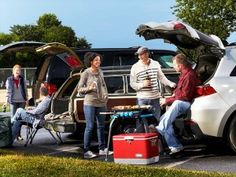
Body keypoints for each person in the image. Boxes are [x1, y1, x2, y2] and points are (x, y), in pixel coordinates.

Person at [149, 53, 200, 155]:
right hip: (181, 101)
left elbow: (185, 96)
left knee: (176, 104)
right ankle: (175, 147)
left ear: (180, 65)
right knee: (165, 119)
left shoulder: (189, 75)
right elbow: (179, 93)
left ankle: (160, 129)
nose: (173, 66)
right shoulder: (184, 74)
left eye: (174, 64)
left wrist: (167, 100)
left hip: (186, 103)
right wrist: (170, 96)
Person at [130, 47, 176, 132]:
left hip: (155, 97)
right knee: (141, 121)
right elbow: (132, 84)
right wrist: (143, 84)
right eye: (138, 55)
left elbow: (161, 77)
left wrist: (171, 84)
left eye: (141, 55)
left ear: (147, 54)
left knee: (155, 121)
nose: (139, 57)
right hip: (142, 98)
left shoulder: (156, 64)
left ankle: (155, 141)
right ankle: (141, 141)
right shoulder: (135, 67)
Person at [77, 52, 112, 159]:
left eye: (99, 60)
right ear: (91, 62)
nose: (98, 62)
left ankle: (102, 149)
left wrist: (106, 96)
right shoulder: (86, 73)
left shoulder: (101, 71)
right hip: (90, 103)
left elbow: (103, 85)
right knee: (90, 126)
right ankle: (86, 151)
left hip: (101, 102)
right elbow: (79, 89)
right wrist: (90, 88)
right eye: (96, 60)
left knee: (101, 126)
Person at [4, 64, 28, 141]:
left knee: (20, 119)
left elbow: (25, 90)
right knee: (13, 119)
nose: (18, 72)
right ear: (13, 71)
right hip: (13, 101)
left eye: (19, 70)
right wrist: (6, 101)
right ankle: (11, 136)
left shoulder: (22, 80)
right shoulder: (9, 80)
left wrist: (26, 99)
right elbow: (7, 92)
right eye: (16, 70)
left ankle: (18, 135)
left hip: (22, 101)